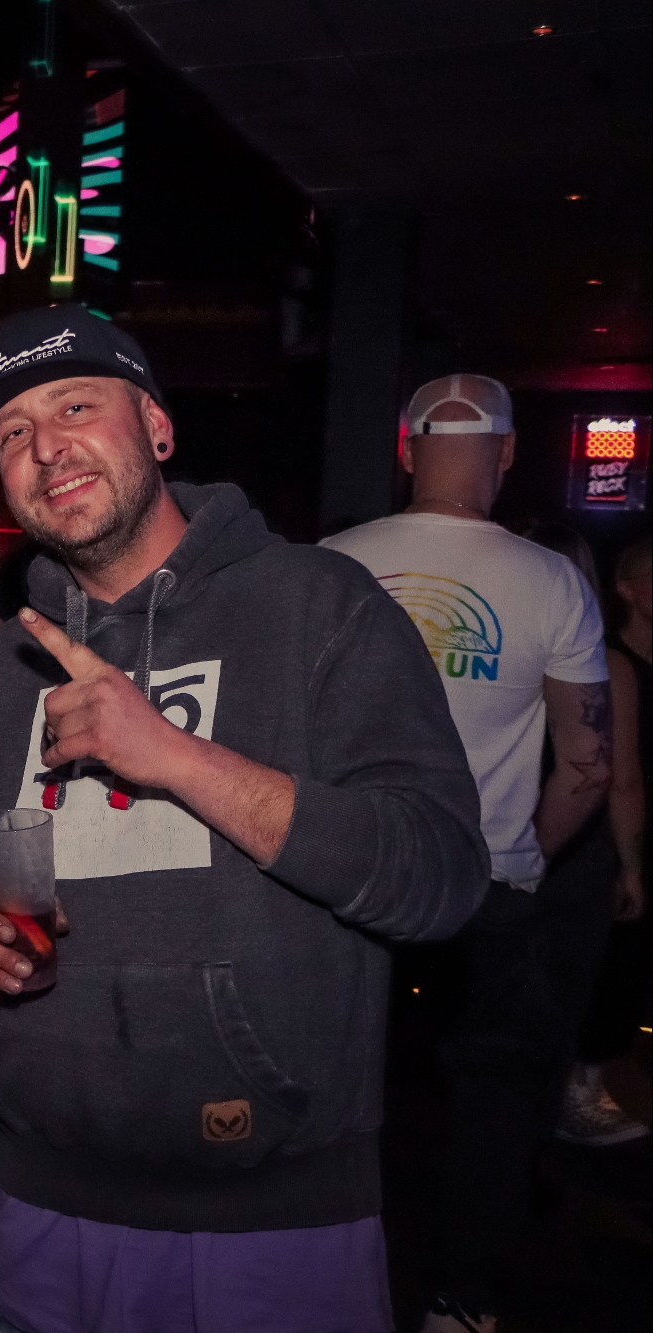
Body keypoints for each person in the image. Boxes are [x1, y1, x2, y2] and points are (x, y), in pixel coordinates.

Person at [0, 305, 487, 1333]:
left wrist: (173, 755)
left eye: (75, 407)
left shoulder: (318, 605)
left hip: (270, 1225)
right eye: (12, 433)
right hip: (34, 1206)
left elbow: (438, 877)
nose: (45, 446)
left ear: (156, 426)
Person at [323, 375, 616, 1333]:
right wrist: (522, 851)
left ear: (406, 449)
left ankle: (314, 1283)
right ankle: (461, 1298)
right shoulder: (552, 580)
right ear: (510, 453)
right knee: (489, 1102)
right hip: (487, 884)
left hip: (350, 880)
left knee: (337, 1093)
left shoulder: (331, 564)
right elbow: (587, 765)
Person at [515, 523, 646, 1147]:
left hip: (500, 834)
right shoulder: (600, 661)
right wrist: (631, 865)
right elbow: (614, 777)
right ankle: (548, 1121)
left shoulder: (491, 651)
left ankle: (512, 1128)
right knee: (560, 997)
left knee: (506, 998)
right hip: (570, 846)